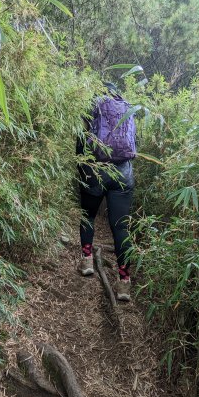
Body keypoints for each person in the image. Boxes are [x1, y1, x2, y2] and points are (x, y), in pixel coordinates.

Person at [77, 83, 136, 302]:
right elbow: (132, 145)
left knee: (88, 216)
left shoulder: (92, 107)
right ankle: (123, 282)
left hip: (95, 171)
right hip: (124, 173)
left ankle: (86, 260)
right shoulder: (127, 109)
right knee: (121, 227)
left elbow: (81, 142)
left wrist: (82, 172)